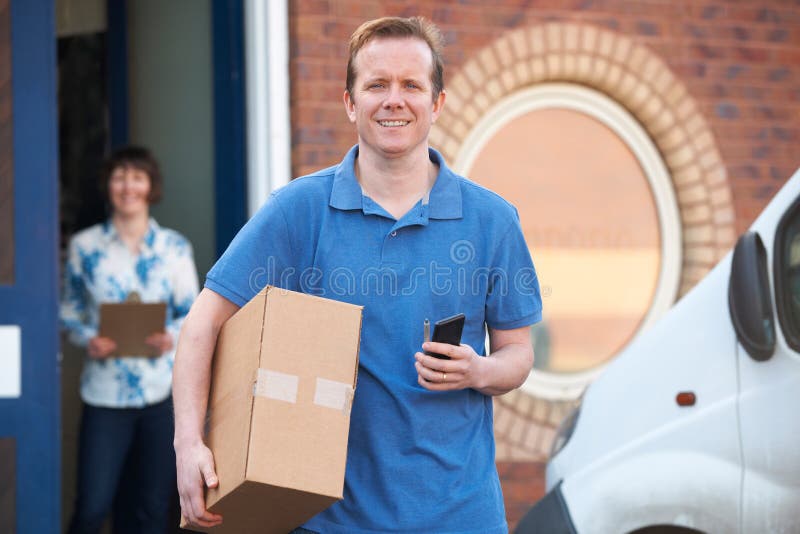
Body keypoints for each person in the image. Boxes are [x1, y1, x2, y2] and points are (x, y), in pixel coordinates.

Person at [174, 16, 542, 534]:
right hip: (328, 519)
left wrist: (478, 371)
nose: (395, 100)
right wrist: (189, 443)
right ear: (351, 102)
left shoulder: (492, 220)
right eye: (376, 85)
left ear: (435, 103)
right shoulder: (297, 211)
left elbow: (518, 353)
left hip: (460, 516)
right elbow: (200, 326)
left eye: (411, 85)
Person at [61, 145, 199, 534]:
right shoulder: (84, 248)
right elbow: (69, 313)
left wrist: (170, 336)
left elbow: (192, 312)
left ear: (150, 186)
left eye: (136, 177)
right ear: (108, 185)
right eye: (119, 177)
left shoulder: (174, 248)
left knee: (153, 509)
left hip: (161, 395)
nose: (127, 186)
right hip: (104, 395)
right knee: (92, 505)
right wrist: (88, 338)